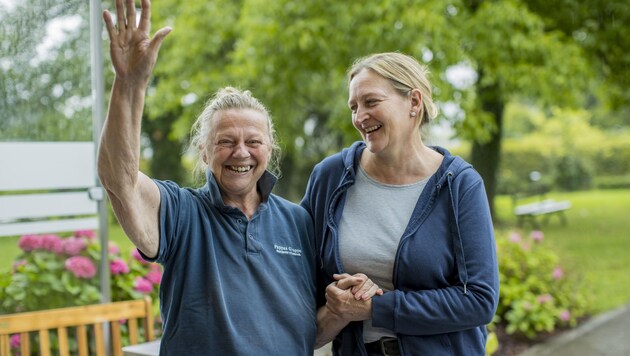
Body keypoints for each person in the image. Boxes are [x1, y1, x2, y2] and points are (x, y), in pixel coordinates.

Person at [98, 0, 318, 353]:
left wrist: (345, 305)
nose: (241, 152)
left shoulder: (297, 221)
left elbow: (310, 323)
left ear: (270, 148)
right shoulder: (182, 212)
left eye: (253, 141)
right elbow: (118, 178)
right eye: (226, 142)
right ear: (203, 151)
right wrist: (129, 85)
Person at [301, 52, 500, 355]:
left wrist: (375, 307)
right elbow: (300, 278)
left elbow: (479, 300)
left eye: (371, 102)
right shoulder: (329, 177)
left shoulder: (459, 184)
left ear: (414, 102)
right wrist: (337, 306)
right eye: (353, 107)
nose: (359, 117)